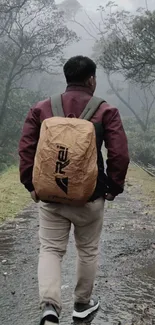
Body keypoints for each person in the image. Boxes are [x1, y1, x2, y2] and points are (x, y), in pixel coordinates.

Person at [19, 56, 129, 325]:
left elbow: (26, 148)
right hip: (89, 196)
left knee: (50, 249)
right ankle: (81, 304)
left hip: (50, 195)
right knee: (88, 249)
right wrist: (113, 187)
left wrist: (31, 185)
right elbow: (119, 154)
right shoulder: (106, 111)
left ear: (67, 77)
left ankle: (49, 307)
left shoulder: (42, 108)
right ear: (91, 78)